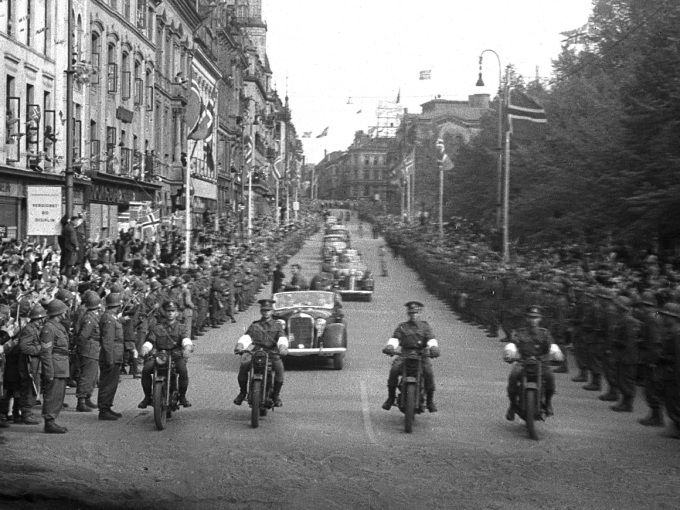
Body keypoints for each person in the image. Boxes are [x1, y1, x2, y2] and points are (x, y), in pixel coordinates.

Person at [504, 306, 563, 421]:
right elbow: (513, 344)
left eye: (535, 317)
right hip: (523, 362)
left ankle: (548, 403)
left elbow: (552, 346)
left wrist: (557, 354)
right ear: (526, 318)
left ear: (540, 319)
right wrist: (509, 353)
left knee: (550, 378)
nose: (533, 320)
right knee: (513, 376)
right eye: (530, 317)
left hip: (541, 363)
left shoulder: (545, 333)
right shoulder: (520, 332)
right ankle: (512, 405)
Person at [381, 301, 440, 413]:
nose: (414, 315)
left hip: (421, 355)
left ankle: (430, 402)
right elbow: (395, 339)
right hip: (405, 354)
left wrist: (434, 348)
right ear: (408, 313)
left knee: (428, 372)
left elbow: (431, 338)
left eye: (416, 313)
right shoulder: (402, 327)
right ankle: (391, 398)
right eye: (411, 313)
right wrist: (390, 346)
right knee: (394, 370)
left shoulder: (425, 326)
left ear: (420, 313)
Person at [138, 301, 193, 409]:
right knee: (146, 369)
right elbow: (150, 340)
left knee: (182, 370)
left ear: (177, 313)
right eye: (168, 311)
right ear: (165, 312)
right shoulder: (157, 327)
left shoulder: (181, 327)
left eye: (173, 311)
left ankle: (182, 397)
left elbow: (186, 339)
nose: (170, 313)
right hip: (160, 355)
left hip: (175, 355)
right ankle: (147, 397)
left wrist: (187, 348)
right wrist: (145, 348)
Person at [233, 299, 288, 407]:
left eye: (268, 310)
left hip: (272, 353)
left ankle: (276, 396)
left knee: (279, 371)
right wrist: (240, 346)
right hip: (256, 352)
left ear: (272, 311)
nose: (266, 312)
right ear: (261, 311)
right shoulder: (255, 325)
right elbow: (247, 337)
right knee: (244, 365)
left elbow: (282, 338)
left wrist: (283, 348)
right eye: (264, 310)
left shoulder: (277, 326)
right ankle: (242, 393)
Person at [40, 299, 71, 433]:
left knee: (58, 395)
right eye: (64, 311)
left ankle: (52, 420)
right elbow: (46, 352)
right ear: (59, 312)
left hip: (62, 365)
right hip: (55, 365)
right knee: (52, 395)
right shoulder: (49, 328)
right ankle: (49, 421)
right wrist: (49, 371)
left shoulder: (59, 326)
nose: (66, 313)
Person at [98, 293, 124, 421]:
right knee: (108, 383)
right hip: (111, 356)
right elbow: (108, 341)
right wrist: (109, 359)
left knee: (112, 384)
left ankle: (107, 407)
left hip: (115, 355)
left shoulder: (112, 317)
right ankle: (103, 409)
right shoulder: (109, 318)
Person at [74, 291, 102, 412]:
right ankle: (81, 401)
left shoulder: (92, 315)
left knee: (93, 376)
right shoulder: (89, 318)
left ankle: (87, 397)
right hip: (89, 349)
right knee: (86, 376)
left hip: (93, 349)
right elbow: (83, 336)